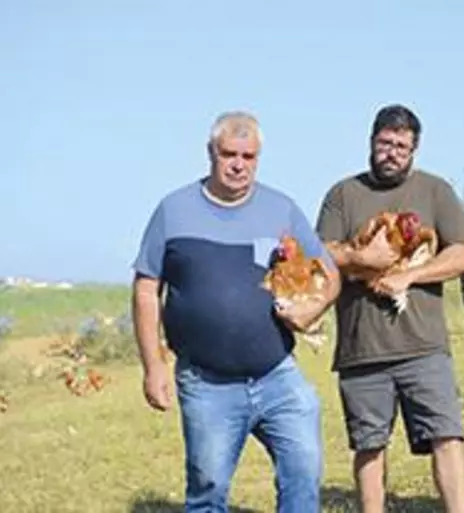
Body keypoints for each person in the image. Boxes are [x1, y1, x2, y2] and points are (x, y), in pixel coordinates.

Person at [131, 111, 340, 513]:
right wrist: (153, 366)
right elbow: (145, 289)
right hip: (207, 382)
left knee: (304, 473)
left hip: (277, 375)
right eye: (229, 154)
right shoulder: (173, 211)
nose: (239, 164)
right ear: (211, 152)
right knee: (208, 491)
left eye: (249, 156)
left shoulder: (282, 209)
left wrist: (314, 305)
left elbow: (328, 273)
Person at [315, 104, 464, 513]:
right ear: (372, 142)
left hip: (423, 345)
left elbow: (461, 255)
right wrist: (364, 259)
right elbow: (322, 254)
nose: (392, 152)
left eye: (401, 146)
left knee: (447, 435)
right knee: (369, 445)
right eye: (385, 143)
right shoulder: (344, 194)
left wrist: (410, 276)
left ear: (414, 149)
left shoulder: (435, 191)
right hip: (362, 347)